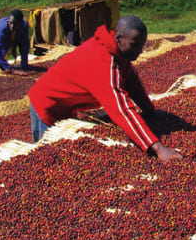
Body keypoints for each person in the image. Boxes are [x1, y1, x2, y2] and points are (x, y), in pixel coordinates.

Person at [27, 15, 182, 162]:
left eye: (142, 46)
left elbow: (132, 82)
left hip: (66, 105)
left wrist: (149, 111)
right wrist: (157, 147)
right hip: (48, 105)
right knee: (47, 157)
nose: (140, 51)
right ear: (119, 39)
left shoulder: (118, 53)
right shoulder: (103, 62)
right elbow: (121, 110)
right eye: (135, 45)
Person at [0, 9, 32, 75]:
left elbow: (24, 45)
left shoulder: (24, 26)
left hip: (6, 45)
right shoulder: (2, 28)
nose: (12, 26)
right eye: (10, 23)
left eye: (15, 24)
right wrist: (11, 69)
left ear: (20, 23)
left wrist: (24, 64)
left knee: (4, 68)